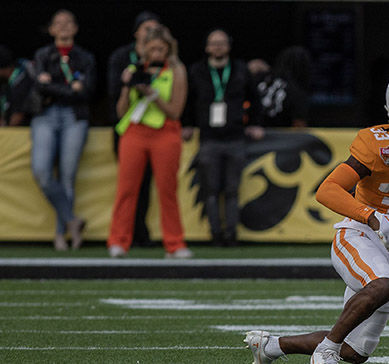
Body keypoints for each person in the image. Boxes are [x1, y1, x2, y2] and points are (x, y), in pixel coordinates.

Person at [243, 66, 389, 364]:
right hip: (357, 233)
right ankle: (325, 351)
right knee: (384, 285)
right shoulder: (378, 144)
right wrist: (371, 216)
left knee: (356, 352)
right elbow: (328, 190)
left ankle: (269, 346)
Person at [107, 26, 192, 260]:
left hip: (165, 132)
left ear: (168, 50)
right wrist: (128, 86)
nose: (156, 53)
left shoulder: (177, 71)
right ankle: (118, 241)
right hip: (135, 132)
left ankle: (174, 243)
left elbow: (175, 112)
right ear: (144, 49)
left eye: (160, 49)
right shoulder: (134, 69)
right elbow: (121, 111)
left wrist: (152, 94)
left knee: (167, 189)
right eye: (152, 48)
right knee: (126, 189)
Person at [183, 29, 264, 247]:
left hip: (235, 136)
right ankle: (215, 235)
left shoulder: (240, 69)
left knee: (232, 189)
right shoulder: (197, 71)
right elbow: (189, 100)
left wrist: (255, 123)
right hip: (209, 137)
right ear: (207, 47)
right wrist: (187, 124)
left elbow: (255, 99)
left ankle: (231, 234)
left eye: (221, 43)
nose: (217, 47)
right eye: (213, 43)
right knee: (210, 189)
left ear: (228, 46)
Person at [31, 9, 95, 251]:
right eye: (59, 23)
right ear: (51, 29)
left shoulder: (85, 57)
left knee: (68, 177)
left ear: (76, 28)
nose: (64, 26)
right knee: (42, 172)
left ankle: (61, 235)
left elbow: (88, 91)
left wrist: (54, 86)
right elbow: (39, 87)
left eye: (69, 22)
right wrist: (70, 89)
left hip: (74, 117)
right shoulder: (43, 54)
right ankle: (72, 221)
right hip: (46, 115)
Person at [107, 10, 160, 248]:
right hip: (126, 127)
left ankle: (141, 232)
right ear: (136, 32)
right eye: (146, 28)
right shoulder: (121, 57)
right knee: (128, 185)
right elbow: (112, 91)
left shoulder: (162, 58)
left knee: (146, 183)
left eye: (155, 29)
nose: (150, 33)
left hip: (152, 127)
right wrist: (129, 83)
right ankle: (122, 235)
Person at [258, 46, 311, 128]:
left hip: (251, 132)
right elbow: (299, 128)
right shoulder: (297, 92)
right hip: (275, 135)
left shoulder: (262, 79)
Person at [1, 45, 38, 126]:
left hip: (29, 128)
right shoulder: (7, 82)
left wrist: (5, 131)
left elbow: (18, 116)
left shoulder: (22, 82)